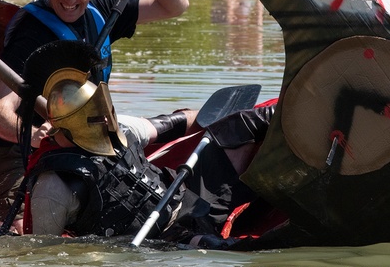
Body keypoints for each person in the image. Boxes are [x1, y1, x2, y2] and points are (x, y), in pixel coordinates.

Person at [0, 0, 189, 230]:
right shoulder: (31, 34)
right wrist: (38, 135)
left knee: (184, 123)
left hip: (81, 149)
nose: (70, 0)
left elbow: (175, 6)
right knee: (27, 230)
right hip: (15, 159)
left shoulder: (103, 11)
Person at [22, 46, 272, 242]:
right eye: (97, 117)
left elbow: (172, 125)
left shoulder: (119, 129)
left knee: (246, 126)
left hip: (187, 198)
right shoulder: (52, 188)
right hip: (160, 242)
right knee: (212, 247)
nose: (108, 122)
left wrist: (227, 122)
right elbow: (47, 255)